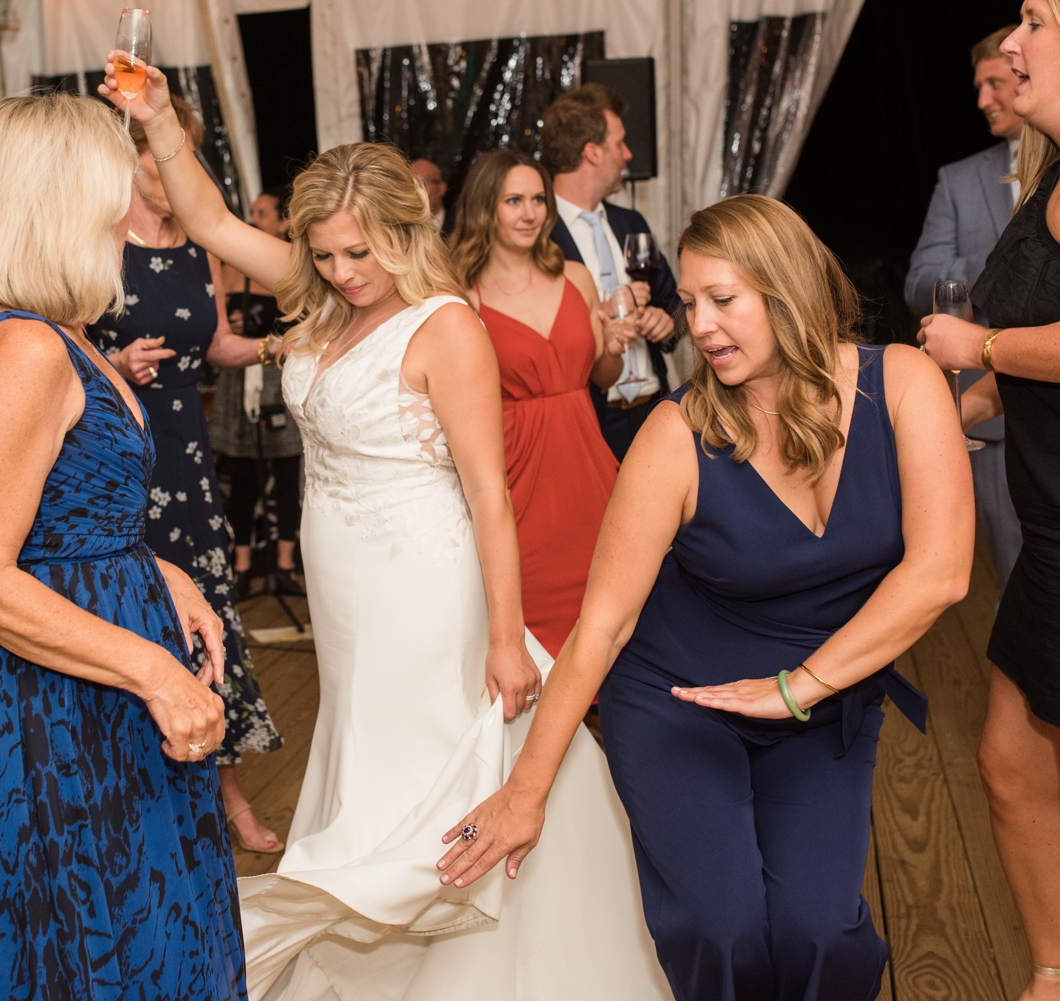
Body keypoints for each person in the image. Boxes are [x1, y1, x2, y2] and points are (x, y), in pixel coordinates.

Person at [100, 58, 670, 1001]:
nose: (343, 272)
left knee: (433, 767)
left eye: (361, 253)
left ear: (403, 233)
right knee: (365, 749)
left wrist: (504, 635)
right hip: (343, 586)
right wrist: (159, 117)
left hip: (427, 584)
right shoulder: (320, 300)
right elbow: (205, 220)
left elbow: (491, 494)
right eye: (325, 253)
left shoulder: (445, 325)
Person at [438, 194, 972, 1001]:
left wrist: (802, 686)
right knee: (718, 930)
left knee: (818, 930)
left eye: (724, 300)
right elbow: (603, 625)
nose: (703, 326)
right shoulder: (676, 435)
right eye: (690, 304)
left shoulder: (902, 384)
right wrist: (526, 791)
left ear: (787, 290)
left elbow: (941, 572)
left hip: (821, 698)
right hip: (677, 699)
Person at [0, 92, 246, 999]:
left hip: (89, 694)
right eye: (109, 187)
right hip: (45, 708)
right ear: (56, 201)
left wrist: (157, 569)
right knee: (76, 949)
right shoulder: (21, 347)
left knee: (134, 941)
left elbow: (62, 515)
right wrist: (158, 672)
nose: (123, 210)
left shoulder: (51, 333)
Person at [86, 97, 284, 854]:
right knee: (141, 614)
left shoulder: (201, 247)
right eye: (162, 155)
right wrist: (115, 364)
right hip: (121, 453)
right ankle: (147, 797)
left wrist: (278, 348)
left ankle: (227, 793)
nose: (174, 171)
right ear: (128, 159)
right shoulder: (100, 242)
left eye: (187, 157)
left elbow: (218, 344)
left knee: (211, 619)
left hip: (188, 453)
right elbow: (55, 347)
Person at [923, 7, 1060, 996]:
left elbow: (1006, 350)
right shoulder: (1049, 172)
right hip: (1050, 528)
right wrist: (915, 429)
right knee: (1011, 760)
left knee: (1013, 754)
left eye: (1038, 22)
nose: (1011, 46)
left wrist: (984, 348)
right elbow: (1007, 384)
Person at [448, 149, 629, 655]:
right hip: (518, 478)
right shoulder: (463, 295)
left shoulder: (576, 277)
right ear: (485, 208)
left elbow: (602, 377)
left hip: (589, 471)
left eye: (537, 200)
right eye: (513, 201)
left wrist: (612, 349)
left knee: (606, 614)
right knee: (536, 628)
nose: (529, 213)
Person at [905, 25, 1024, 594]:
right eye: (978, 86)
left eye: (995, 83)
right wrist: (1005, 253)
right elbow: (920, 280)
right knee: (1018, 587)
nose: (982, 101)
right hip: (995, 419)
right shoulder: (959, 179)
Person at [542, 84, 683, 460]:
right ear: (592, 152)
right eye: (619, 143)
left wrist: (664, 320)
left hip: (653, 408)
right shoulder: (539, 234)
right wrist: (599, 313)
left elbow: (674, 300)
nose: (628, 154)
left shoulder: (629, 222)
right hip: (590, 419)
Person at [211, 186, 304, 599]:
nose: (254, 219)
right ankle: (243, 568)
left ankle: (284, 568)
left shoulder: (296, 268)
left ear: (284, 222)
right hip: (239, 375)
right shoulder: (234, 266)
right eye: (252, 211)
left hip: (281, 374)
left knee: (287, 474)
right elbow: (217, 329)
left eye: (263, 213)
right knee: (243, 475)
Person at [411, 157, 451, 235]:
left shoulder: (457, 227)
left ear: (441, 188)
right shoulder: (401, 227)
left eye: (425, 182)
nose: (417, 189)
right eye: (412, 183)